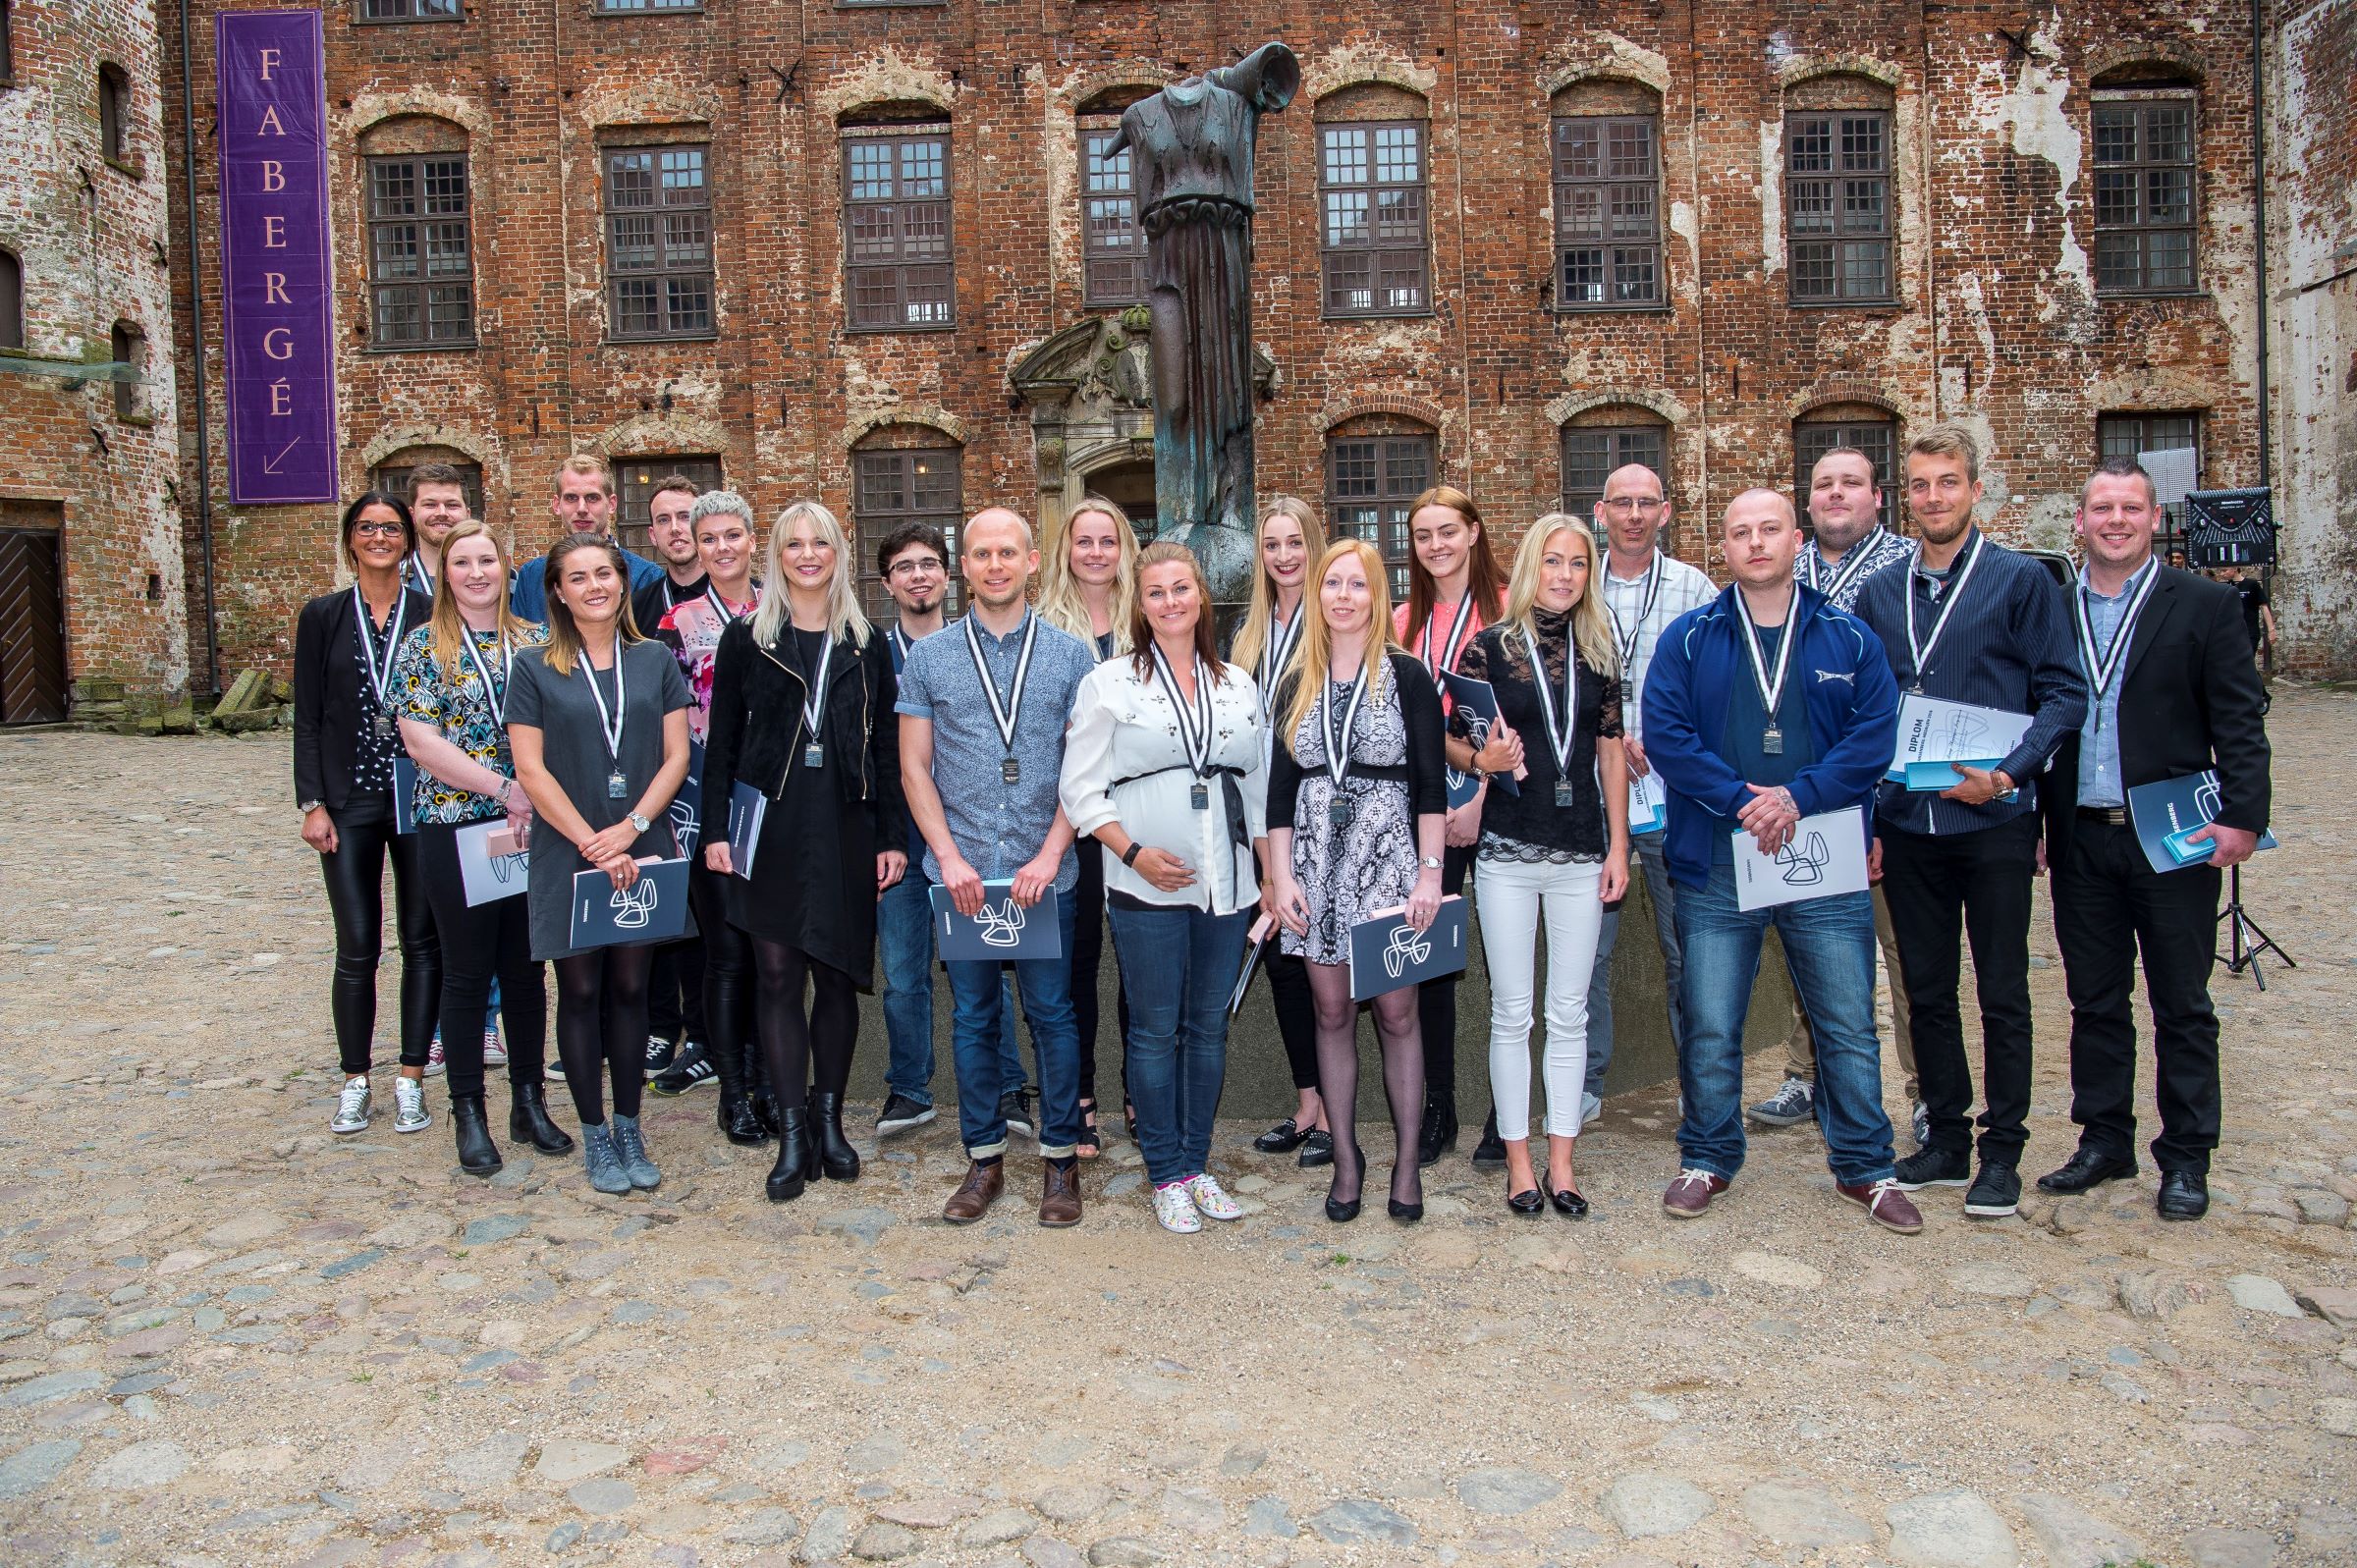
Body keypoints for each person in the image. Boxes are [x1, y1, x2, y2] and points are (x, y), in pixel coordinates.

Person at [1641, 489, 1919, 1232]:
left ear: (1797, 540)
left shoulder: (1848, 637)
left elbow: (1874, 737)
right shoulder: (1689, 639)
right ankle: (1707, 1155)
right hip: (1716, 859)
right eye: (1741, 532)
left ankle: (1867, 1166)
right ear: (1724, 547)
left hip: (1820, 854)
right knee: (1710, 1021)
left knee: (1847, 1022)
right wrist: (1743, 800)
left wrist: (1798, 797)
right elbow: (1666, 736)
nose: (1756, 542)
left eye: (1770, 529)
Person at [1852, 425, 2086, 1219]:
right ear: (1905, 496)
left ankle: (2003, 1150)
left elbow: (2064, 694)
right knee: (1926, 989)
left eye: (1948, 482)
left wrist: (2010, 774)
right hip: (1907, 819)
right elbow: (1866, 708)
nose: (1934, 497)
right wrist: (1867, 818)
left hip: (1993, 819)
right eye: (1920, 485)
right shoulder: (1879, 591)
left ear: (1975, 489)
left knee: (2002, 990)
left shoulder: (2021, 581)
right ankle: (1947, 1136)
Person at [2038, 459, 2271, 1221]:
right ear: (2080, 520)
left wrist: (2242, 815)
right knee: (2094, 1000)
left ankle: (2187, 1155)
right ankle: (2105, 1139)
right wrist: (2037, 824)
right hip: (2080, 836)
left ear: (2155, 517)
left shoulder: (2204, 604)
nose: (2115, 520)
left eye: (2130, 508)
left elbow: (2239, 719)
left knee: (2182, 1001)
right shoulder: (2053, 609)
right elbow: (2037, 723)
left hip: (2171, 836)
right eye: (2101, 508)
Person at [898, 508, 1099, 1227]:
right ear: (965, 566)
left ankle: (1060, 1161)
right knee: (974, 1017)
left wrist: (1052, 852)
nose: (995, 565)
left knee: (1052, 1015)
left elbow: (1085, 767)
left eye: (1007, 552)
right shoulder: (930, 658)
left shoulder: (1073, 657)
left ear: (1032, 560)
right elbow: (914, 768)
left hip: (1046, 874)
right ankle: (983, 1158)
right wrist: (947, 857)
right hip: (963, 878)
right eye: (981, 553)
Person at [1063, 542, 1270, 1232]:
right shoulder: (1110, 683)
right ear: (1140, 604)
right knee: (1154, 1030)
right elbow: (1080, 789)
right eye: (1156, 592)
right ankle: (1165, 1172)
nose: (1171, 601)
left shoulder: (1238, 684)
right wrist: (1134, 853)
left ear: (1201, 595)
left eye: (1182, 588)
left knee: (1207, 1027)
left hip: (1226, 886)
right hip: (1143, 885)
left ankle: (1196, 1162)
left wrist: (1269, 876)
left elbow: (1260, 790)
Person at [702, 502, 906, 1203]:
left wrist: (891, 837)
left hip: (846, 822)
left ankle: (829, 1123)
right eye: (795, 544)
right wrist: (715, 831)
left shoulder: (866, 641)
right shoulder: (747, 639)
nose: (808, 554)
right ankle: (792, 1133)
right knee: (778, 976)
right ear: (778, 556)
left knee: (839, 976)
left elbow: (887, 747)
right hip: (771, 823)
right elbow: (722, 743)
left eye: (821, 542)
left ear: (839, 553)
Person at [1267, 537, 1449, 1223]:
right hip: (1315, 864)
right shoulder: (1297, 682)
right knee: (1331, 1013)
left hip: (1391, 863)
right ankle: (1346, 1157)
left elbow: (1430, 785)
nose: (1343, 596)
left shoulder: (1407, 676)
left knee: (1398, 1014)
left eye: (1358, 584)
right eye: (1332, 583)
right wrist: (1281, 875)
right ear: (1318, 595)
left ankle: (1406, 1162)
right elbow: (1279, 793)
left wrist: (1428, 875)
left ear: (1377, 596)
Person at [507, 533, 693, 1195]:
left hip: (641, 843)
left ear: (622, 582)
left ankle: (629, 1125)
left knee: (631, 990)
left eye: (604, 574)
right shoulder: (533, 666)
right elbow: (530, 768)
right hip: (570, 845)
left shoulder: (654, 659)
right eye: (578, 577)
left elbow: (677, 755)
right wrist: (594, 841)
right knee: (581, 990)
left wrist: (632, 829)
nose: (594, 586)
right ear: (558, 591)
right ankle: (594, 1133)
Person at [1454, 515, 1628, 1216]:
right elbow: (1449, 740)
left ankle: (1563, 1162)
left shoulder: (1600, 647)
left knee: (1569, 1013)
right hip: (1508, 851)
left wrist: (1619, 845)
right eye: (1552, 561)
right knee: (1511, 1012)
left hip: (1582, 849)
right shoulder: (1488, 647)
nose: (1564, 574)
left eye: (1578, 563)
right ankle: (1518, 1161)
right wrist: (1481, 759)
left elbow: (1610, 751)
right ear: (1531, 565)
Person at [1749, 447, 1921, 1142]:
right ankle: (1805, 1072)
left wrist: (1877, 802)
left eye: (1852, 482)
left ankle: (1924, 1088)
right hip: (1800, 793)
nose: (1836, 494)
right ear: (1808, 504)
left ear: (1878, 495)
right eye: (1823, 485)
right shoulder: (1787, 568)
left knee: (1902, 950)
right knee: (1804, 940)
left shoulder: (1908, 567)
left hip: (1885, 788)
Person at [391, 520, 574, 1173]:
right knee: (467, 970)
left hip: (534, 826)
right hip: (456, 823)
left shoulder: (536, 641)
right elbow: (421, 742)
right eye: (462, 562)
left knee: (526, 969)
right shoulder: (422, 646)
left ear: (506, 568)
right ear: (445, 573)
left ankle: (529, 1102)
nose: (476, 573)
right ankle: (468, 1110)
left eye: (487, 561)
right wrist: (504, 788)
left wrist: (534, 794)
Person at [293, 492, 441, 1138]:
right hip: (349, 798)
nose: (379, 537)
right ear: (351, 540)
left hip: (419, 796)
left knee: (422, 940)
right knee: (357, 944)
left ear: (406, 540)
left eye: (391, 528)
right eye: (366, 528)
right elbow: (306, 714)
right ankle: (355, 1078)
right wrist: (312, 801)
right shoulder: (323, 615)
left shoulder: (431, 612)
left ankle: (411, 1076)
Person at [1585, 462, 1716, 1127]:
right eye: (1622, 503)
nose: (1634, 515)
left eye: (1646, 503)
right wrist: (1609, 741)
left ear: (1665, 512)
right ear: (1601, 512)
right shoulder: (1576, 585)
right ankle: (1584, 1083)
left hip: (1672, 796)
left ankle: (1701, 1086)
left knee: (1686, 949)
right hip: (1594, 795)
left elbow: (1718, 688)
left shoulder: (1696, 589)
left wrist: (1661, 740)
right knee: (1588, 953)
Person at [647, 491, 770, 1145]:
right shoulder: (678, 623)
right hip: (705, 805)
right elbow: (663, 723)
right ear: (696, 546)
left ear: (752, 539)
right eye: (710, 538)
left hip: (775, 802)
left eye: (732, 535)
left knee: (773, 952)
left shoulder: (781, 608)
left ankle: (770, 1078)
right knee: (726, 955)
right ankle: (733, 1091)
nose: (722, 548)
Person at [1393, 485, 1507, 1166]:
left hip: (1502, 804)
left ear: (1473, 532)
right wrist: (1453, 793)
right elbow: (1409, 727)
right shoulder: (1403, 620)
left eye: (1447, 531)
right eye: (1423, 535)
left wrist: (1482, 795)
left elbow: (1524, 719)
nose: (1436, 545)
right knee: (1432, 960)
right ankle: (1439, 1102)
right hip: (1429, 807)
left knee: (1505, 959)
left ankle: (1505, 1109)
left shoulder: (1508, 608)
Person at [1227, 496, 1333, 1169]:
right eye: (1272, 545)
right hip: (1260, 822)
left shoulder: (1333, 620)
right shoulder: (1248, 633)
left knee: (1322, 969)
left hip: (1320, 822)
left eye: (1295, 542)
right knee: (1285, 970)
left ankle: (1336, 1111)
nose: (1285, 556)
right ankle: (1308, 1105)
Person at [1037, 496, 1141, 1157]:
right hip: (1071, 816)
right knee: (1076, 962)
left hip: (1138, 812)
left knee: (1138, 959)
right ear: (1066, 551)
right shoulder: (1045, 625)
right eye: (1085, 541)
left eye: (1108, 540)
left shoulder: (1148, 617)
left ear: (1124, 548)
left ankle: (1140, 1089)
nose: (1097, 552)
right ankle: (1077, 1094)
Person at [636, 475, 715, 1081]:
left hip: (719, 775)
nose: (676, 529)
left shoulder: (742, 595)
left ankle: (710, 1036)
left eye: (685, 517)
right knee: (664, 904)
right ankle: (662, 1027)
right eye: (663, 519)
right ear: (652, 533)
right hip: (660, 773)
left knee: (712, 912)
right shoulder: (638, 603)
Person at [511, 455, 666, 623]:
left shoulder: (647, 577)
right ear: (557, 505)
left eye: (592, 498)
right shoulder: (531, 576)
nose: (582, 508)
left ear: (612, 504)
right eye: (571, 498)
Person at [402, 460, 472, 599]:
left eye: (452, 505)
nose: (442, 513)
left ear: (468, 514)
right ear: (412, 515)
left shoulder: (501, 578)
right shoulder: (392, 580)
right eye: (430, 504)